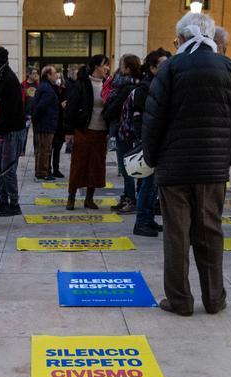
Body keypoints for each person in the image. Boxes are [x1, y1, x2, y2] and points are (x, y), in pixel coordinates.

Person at [142, 14, 231, 316]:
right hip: (213, 170)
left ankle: (179, 300)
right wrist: (225, 157)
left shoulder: (171, 67)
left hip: (174, 169)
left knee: (177, 236)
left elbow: (153, 121)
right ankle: (214, 298)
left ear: (180, 39)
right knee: (210, 233)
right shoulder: (230, 68)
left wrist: (152, 158)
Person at [129, 48, 169, 236]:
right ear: (152, 67)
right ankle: (141, 222)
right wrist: (143, 140)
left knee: (153, 184)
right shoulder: (146, 88)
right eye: (162, 64)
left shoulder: (161, 84)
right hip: (150, 142)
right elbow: (138, 117)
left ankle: (149, 218)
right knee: (147, 183)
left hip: (160, 142)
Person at [64, 54, 111, 211]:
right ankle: (71, 197)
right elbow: (70, 108)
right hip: (84, 130)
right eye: (105, 64)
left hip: (101, 131)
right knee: (79, 164)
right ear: (97, 66)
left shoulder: (107, 84)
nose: (107, 68)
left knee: (96, 165)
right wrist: (69, 131)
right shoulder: (82, 84)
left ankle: (89, 198)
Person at [0, 46, 26, 217]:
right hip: (1, 129)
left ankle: (14, 204)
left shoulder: (8, 79)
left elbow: (9, 111)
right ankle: (3, 201)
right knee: (0, 166)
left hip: (12, 130)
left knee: (8, 168)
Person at [106, 54, 140, 214]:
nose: (118, 68)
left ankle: (130, 199)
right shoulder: (132, 84)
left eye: (121, 64)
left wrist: (105, 114)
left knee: (126, 166)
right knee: (127, 166)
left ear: (128, 68)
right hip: (127, 130)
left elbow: (114, 106)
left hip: (125, 130)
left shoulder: (126, 86)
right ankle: (128, 196)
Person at [32, 65, 60, 180]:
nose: (56, 75)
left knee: (42, 149)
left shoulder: (44, 86)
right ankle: (42, 173)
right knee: (45, 149)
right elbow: (40, 107)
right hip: (46, 124)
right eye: (54, 74)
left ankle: (40, 171)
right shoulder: (47, 89)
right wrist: (37, 120)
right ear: (48, 75)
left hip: (44, 123)